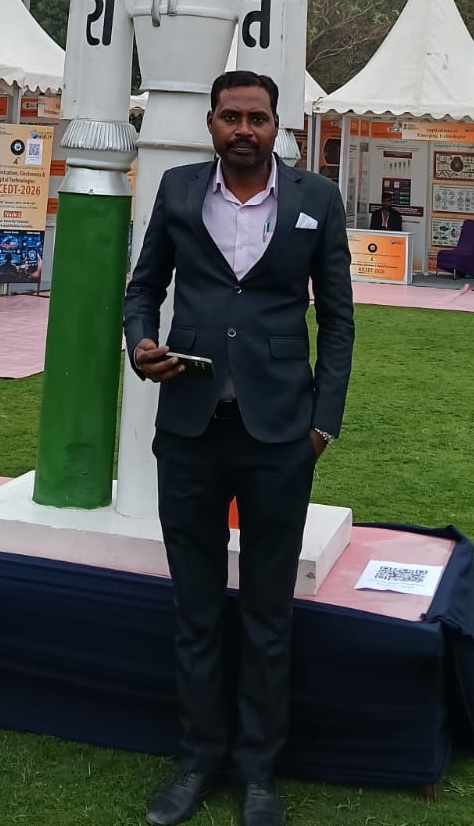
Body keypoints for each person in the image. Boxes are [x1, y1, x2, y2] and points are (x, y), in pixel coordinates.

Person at [124, 70, 355, 826]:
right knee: (195, 610)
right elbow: (143, 287)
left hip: (281, 436)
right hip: (190, 433)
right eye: (231, 117)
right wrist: (140, 346)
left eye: (257, 117)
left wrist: (322, 424)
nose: (244, 130)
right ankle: (198, 761)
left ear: (277, 125)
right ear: (212, 124)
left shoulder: (318, 199)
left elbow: (339, 320)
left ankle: (259, 773)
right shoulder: (179, 191)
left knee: (266, 612)